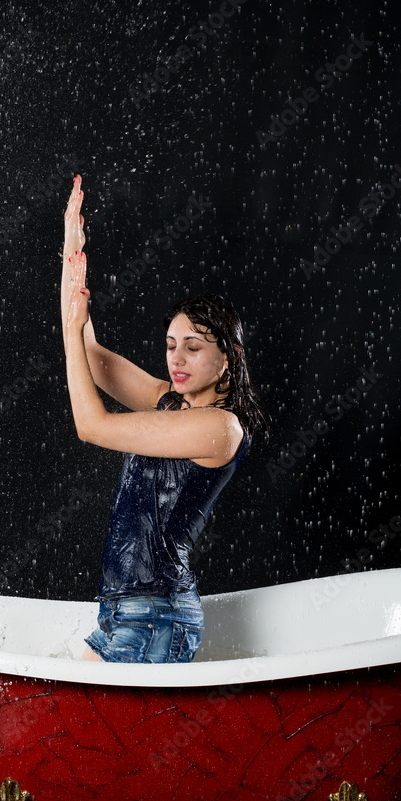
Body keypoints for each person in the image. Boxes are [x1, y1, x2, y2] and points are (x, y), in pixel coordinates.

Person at [61, 174, 269, 664]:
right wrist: (71, 256)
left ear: (229, 358)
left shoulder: (220, 428)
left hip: (157, 614)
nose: (177, 359)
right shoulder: (169, 402)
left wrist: (73, 331)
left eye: (194, 348)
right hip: (119, 609)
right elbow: (89, 353)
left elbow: (91, 426)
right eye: (172, 345)